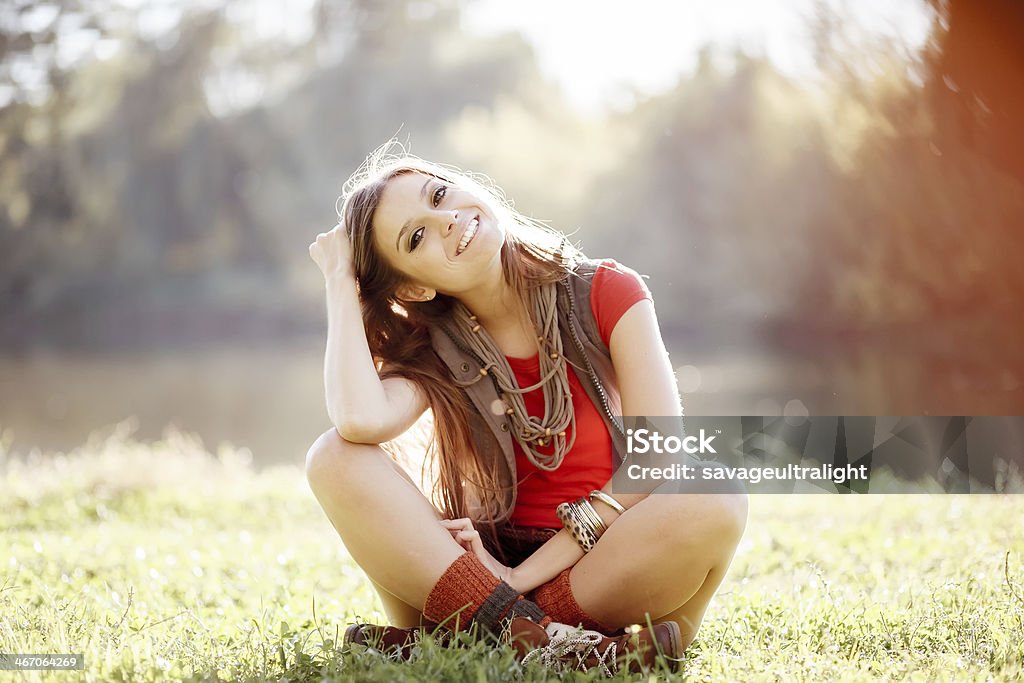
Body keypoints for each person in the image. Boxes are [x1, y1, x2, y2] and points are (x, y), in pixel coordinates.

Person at [305, 144, 748, 676]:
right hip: (474, 564)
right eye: (416, 237)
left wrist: (518, 580)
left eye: (440, 195)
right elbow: (359, 421)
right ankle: (563, 647)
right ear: (413, 287)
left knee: (714, 493)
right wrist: (338, 282)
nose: (447, 221)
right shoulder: (431, 345)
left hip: (599, 558)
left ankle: (477, 635)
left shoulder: (605, 290)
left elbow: (661, 456)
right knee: (334, 457)